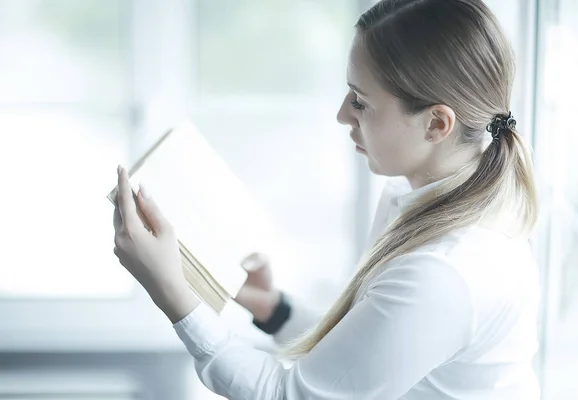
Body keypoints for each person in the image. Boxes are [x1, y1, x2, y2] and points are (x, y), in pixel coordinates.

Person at [111, 0, 541, 398]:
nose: (342, 115)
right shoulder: (421, 204)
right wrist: (274, 309)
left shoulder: (446, 272)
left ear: (436, 124)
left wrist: (169, 289)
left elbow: (287, 395)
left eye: (360, 102)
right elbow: (364, 354)